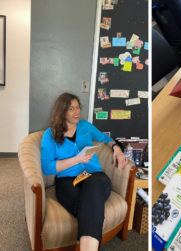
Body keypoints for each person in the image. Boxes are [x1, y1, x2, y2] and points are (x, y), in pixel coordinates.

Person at [41, 92, 128, 251]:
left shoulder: (85, 126)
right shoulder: (50, 134)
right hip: (67, 181)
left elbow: (104, 138)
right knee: (91, 204)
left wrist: (117, 149)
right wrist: (76, 160)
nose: (76, 112)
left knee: (93, 186)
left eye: (77, 107)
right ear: (62, 112)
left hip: (95, 176)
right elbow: (47, 168)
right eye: (71, 109)